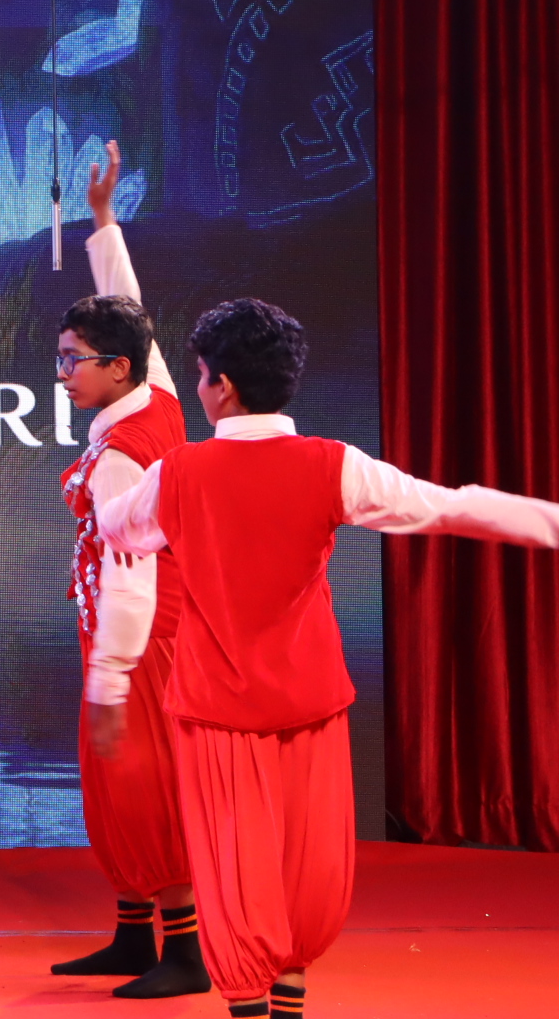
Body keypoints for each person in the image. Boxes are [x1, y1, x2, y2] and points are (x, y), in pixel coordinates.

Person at [93, 298, 559, 1018]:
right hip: (308, 700)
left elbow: (122, 529)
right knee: (304, 867)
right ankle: (288, 1002)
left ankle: (249, 1002)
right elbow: (450, 506)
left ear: (221, 385)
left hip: (216, 708)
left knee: (233, 866)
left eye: (201, 375)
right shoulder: (333, 464)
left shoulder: (178, 472)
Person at [50, 142, 207, 999]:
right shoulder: (154, 393)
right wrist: (104, 221)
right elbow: (132, 310)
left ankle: (184, 954)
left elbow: (130, 574)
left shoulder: (123, 454)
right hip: (130, 627)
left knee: (144, 783)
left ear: (116, 367)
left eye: (72, 360)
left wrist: (110, 674)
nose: (63, 374)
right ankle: (132, 934)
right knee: (119, 784)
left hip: (140, 635)